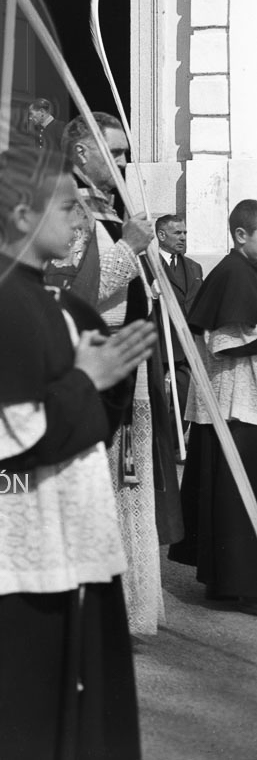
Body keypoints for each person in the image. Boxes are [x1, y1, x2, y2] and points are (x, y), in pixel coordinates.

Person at [0, 148, 156, 760]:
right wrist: (85, 381)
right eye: (70, 206)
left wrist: (109, 371)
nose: (83, 219)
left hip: (58, 553)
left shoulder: (52, 300)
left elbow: (83, 425)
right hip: (6, 569)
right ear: (20, 214)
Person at [47, 112, 181, 635]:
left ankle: (127, 607)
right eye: (116, 152)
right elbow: (74, 293)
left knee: (126, 484)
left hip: (128, 366)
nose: (125, 162)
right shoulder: (64, 204)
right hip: (92, 366)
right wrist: (130, 248)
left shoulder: (108, 205)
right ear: (82, 154)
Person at [168, 199, 257, 601]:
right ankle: (236, 587)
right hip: (232, 402)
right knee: (235, 498)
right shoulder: (234, 273)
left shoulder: (244, 269)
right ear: (241, 236)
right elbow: (221, 342)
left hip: (238, 401)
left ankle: (230, 583)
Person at [153, 214, 203, 444]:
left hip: (184, 346)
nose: (183, 237)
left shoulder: (194, 268)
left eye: (184, 233)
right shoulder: (147, 264)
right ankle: (156, 445)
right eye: (177, 233)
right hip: (158, 342)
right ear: (161, 235)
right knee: (155, 400)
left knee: (184, 397)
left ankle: (174, 444)